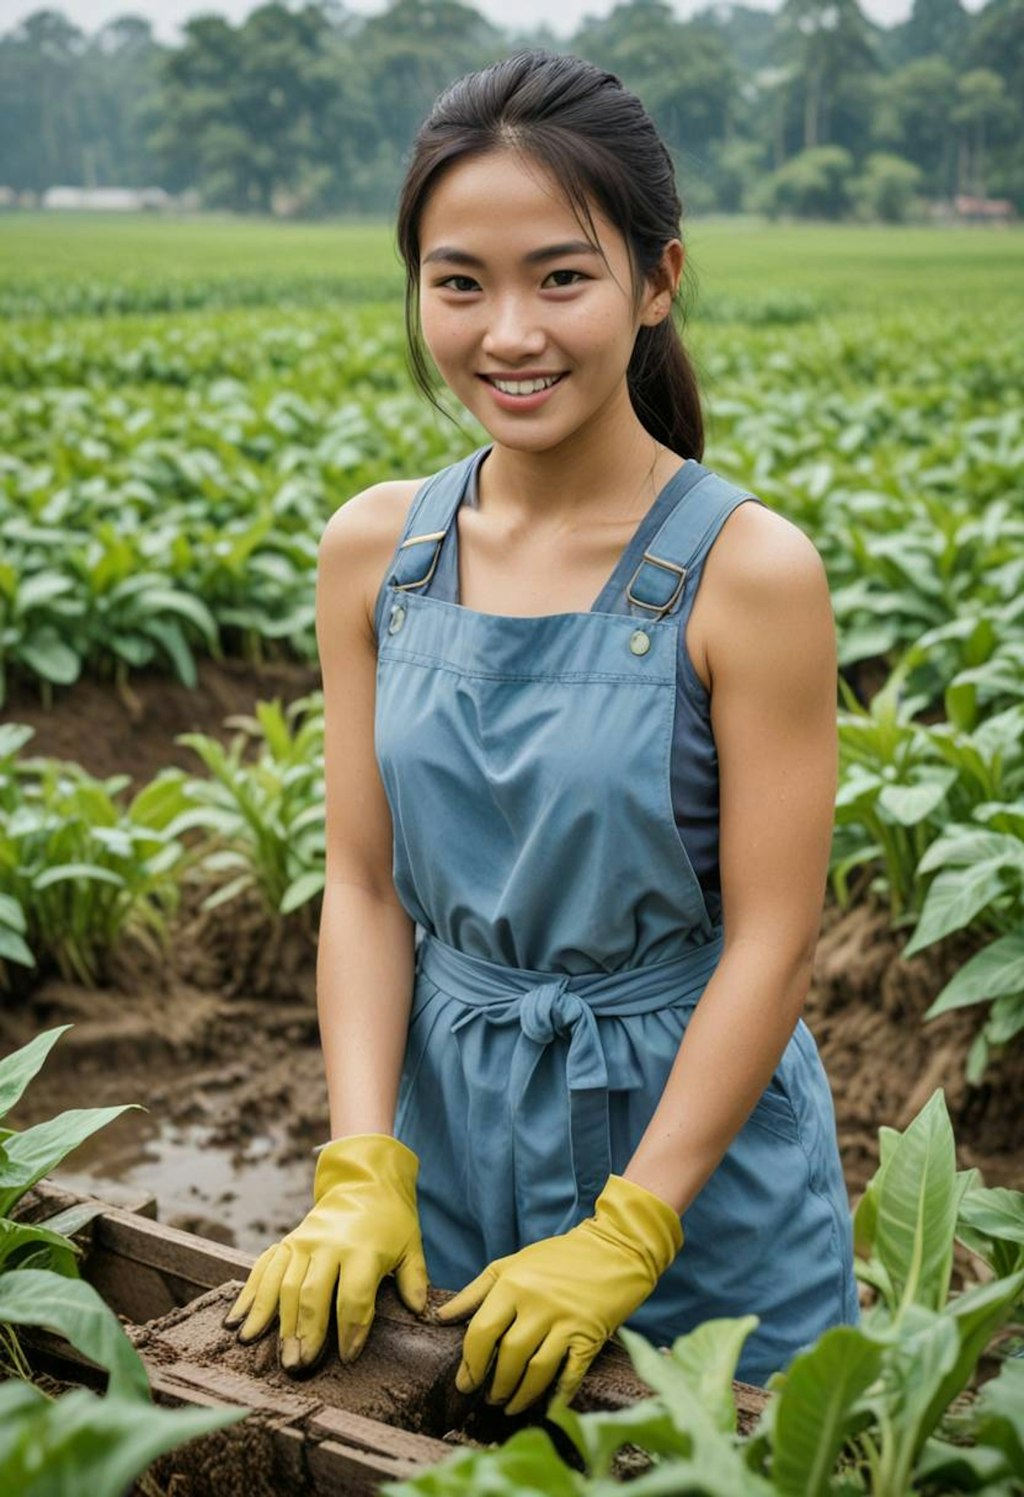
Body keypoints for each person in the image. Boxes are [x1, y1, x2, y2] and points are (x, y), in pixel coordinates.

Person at [224, 48, 859, 1415]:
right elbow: (365, 881)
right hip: (449, 1136)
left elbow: (772, 937)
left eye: (560, 276)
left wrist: (635, 1225)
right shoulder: (376, 554)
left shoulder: (748, 572)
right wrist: (358, 1161)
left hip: (700, 1165)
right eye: (460, 281)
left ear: (657, 280)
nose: (507, 332)